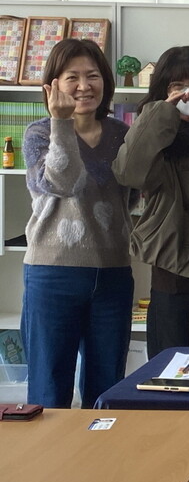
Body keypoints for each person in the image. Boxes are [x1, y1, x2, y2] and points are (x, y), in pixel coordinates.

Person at [22, 39, 134, 407]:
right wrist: (61, 123)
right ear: (52, 85)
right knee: (48, 387)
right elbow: (63, 182)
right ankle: (49, 465)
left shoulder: (122, 134)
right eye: (72, 77)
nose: (84, 86)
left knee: (107, 387)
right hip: (53, 274)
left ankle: (101, 462)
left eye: (93, 76)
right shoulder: (39, 133)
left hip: (113, 274)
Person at [113, 46, 189, 358]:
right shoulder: (153, 131)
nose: (187, 92)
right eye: (176, 86)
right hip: (173, 268)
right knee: (170, 373)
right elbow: (128, 172)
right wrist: (162, 114)